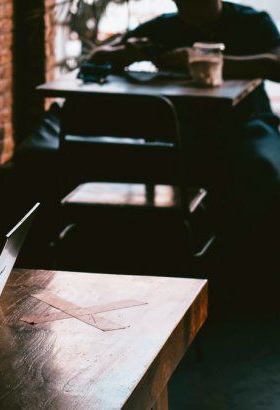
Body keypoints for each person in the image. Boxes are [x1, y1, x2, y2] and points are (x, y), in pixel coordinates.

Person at [87, 0, 280, 271]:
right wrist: (128, 53)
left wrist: (201, 59)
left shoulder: (251, 22)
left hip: (248, 122)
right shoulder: (163, 27)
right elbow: (99, 56)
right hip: (183, 127)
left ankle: (247, 263)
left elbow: (276, 64)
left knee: (259, 167)